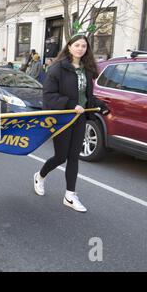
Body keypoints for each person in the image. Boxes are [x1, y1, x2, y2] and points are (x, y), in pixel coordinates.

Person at [33, 34, 109, 213]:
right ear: (69, 47)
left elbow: (86, 96)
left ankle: (70, 195)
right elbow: (49, 96)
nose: (80, 48)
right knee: (61, 157)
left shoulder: (86, 69)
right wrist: (70, 104)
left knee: (74, 157)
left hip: (80, 119)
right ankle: (40, 176)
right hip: (63, 118)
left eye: (84, 46)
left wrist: (101, 105)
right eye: (77, 45)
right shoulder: (57, 68)